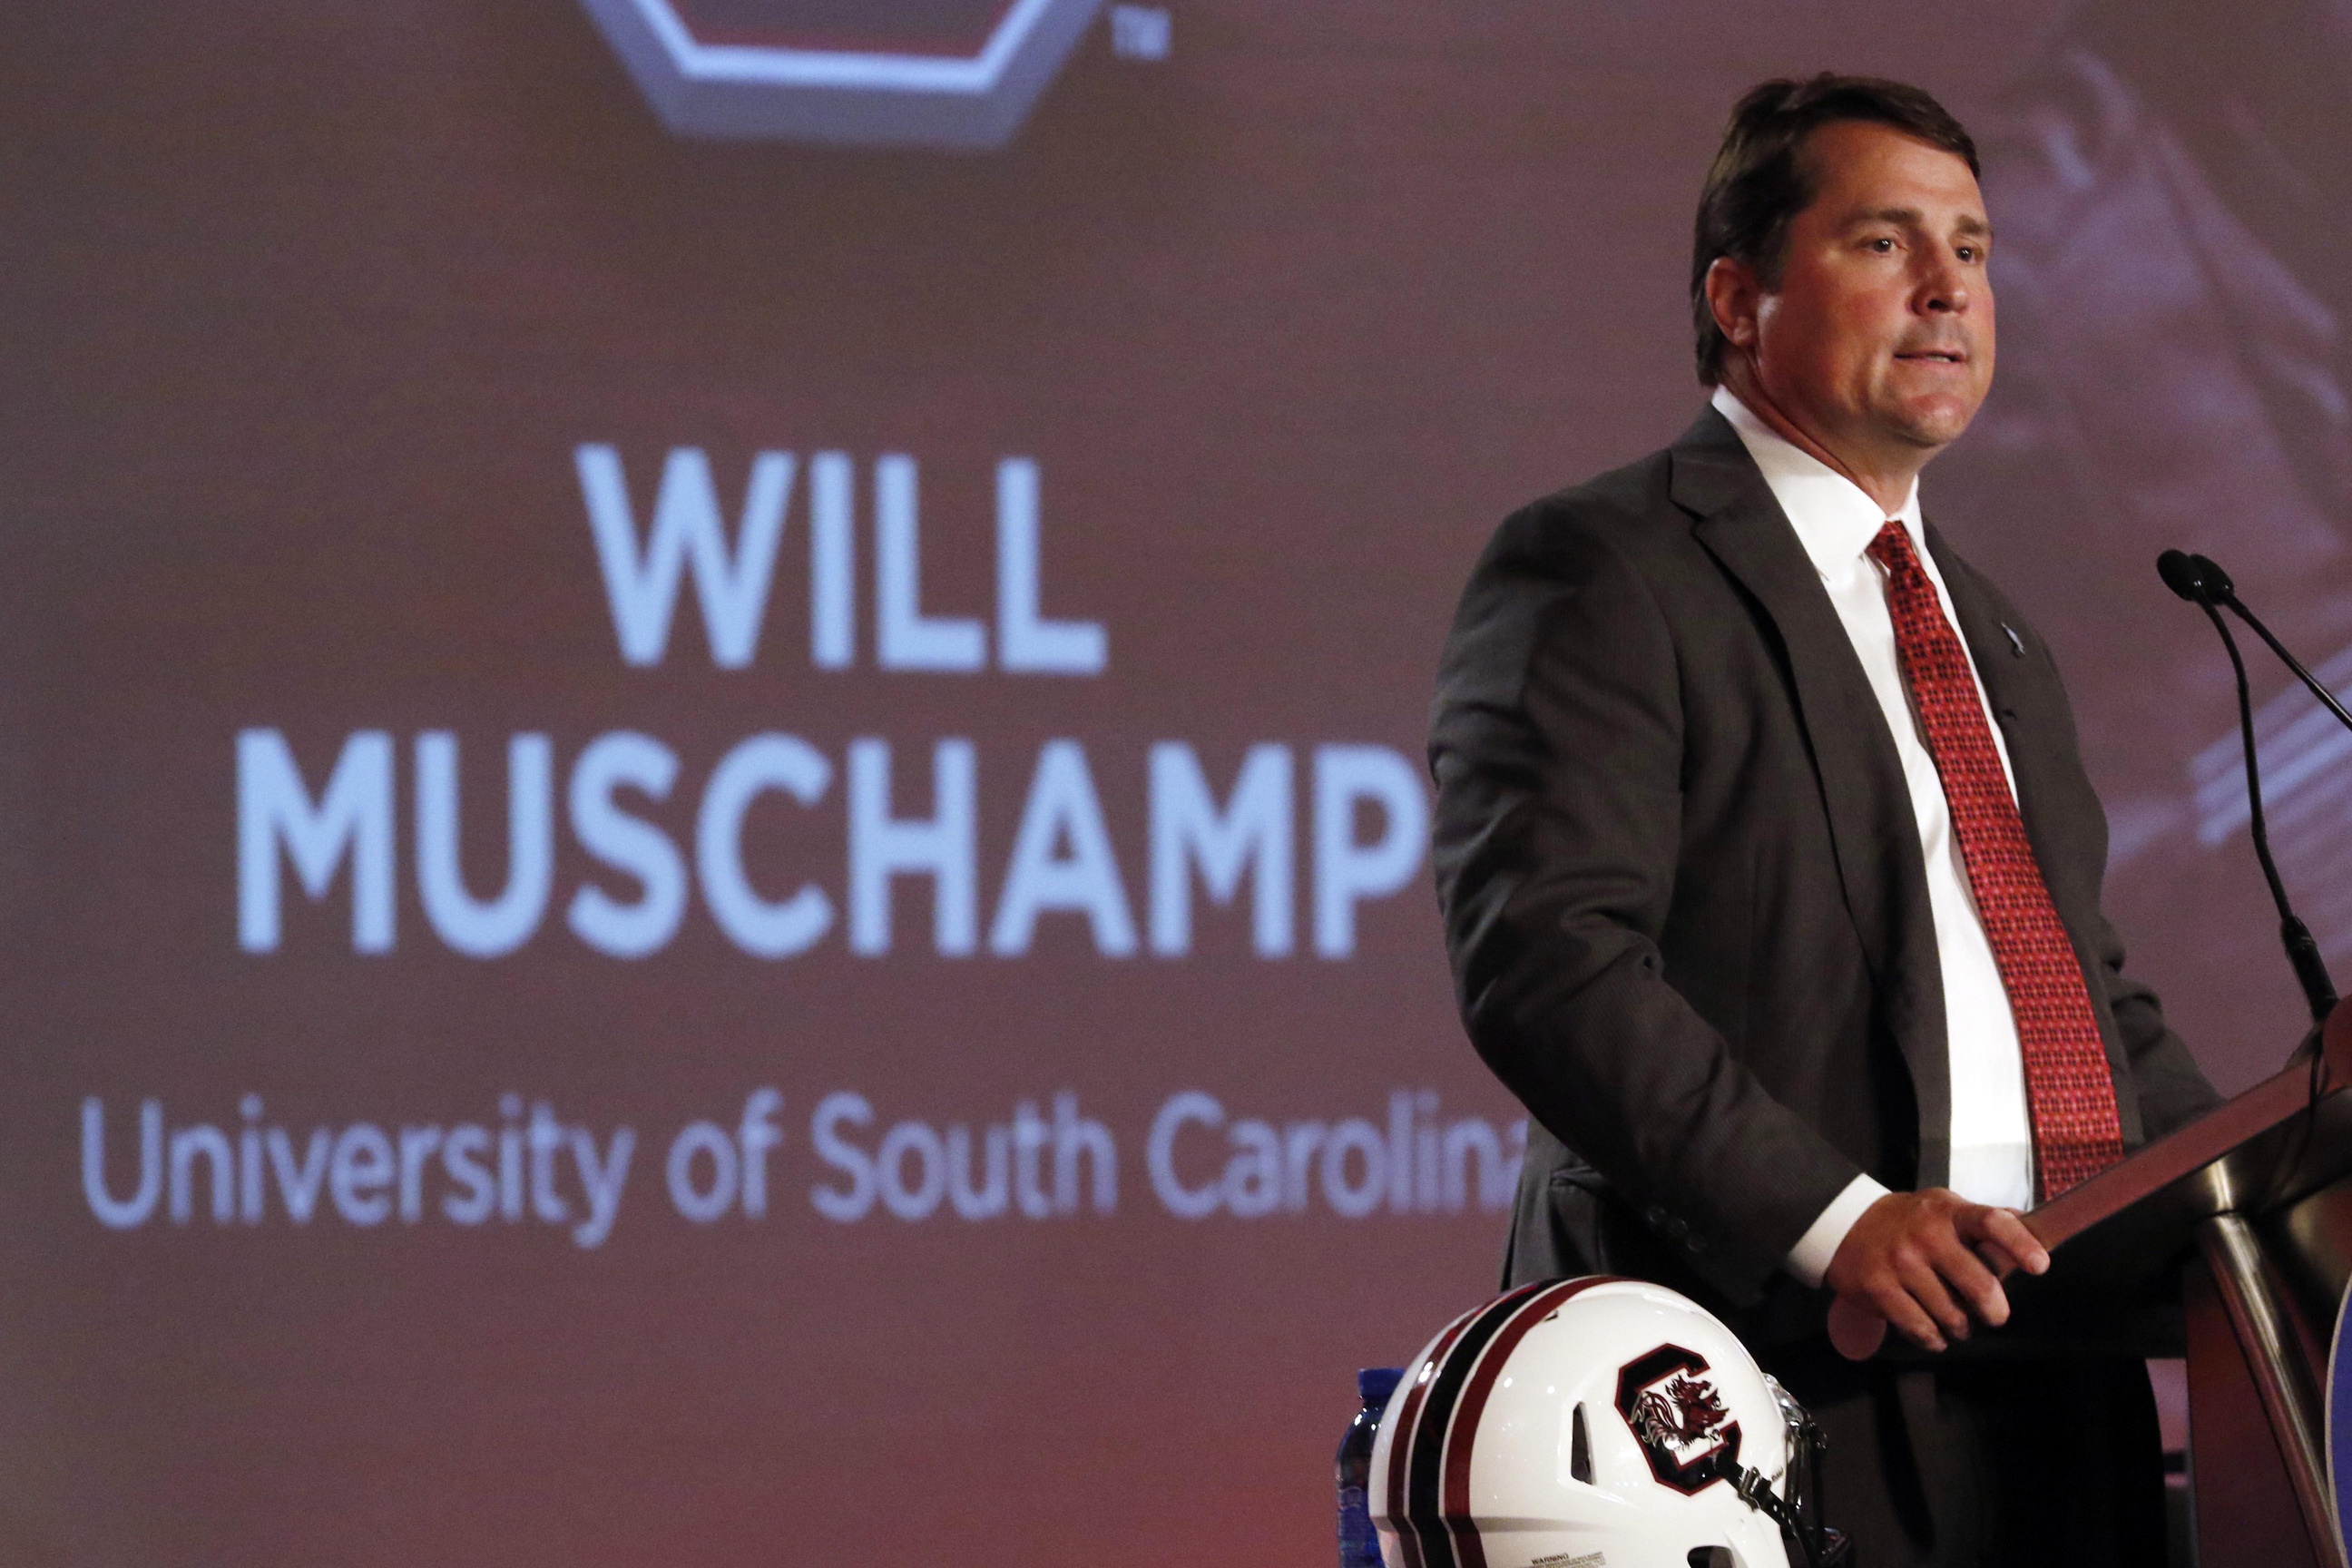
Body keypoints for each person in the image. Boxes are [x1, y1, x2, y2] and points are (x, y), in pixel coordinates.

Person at [1427, 75, 2223, 1566]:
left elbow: (2078, 993)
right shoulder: (1604, 567)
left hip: (2055, 1392)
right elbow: (1548, 957)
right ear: (1742, 297)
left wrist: (2266, 1187)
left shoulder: (1999, 635)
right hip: (1747, 1397)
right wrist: (1835, 1215)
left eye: (1974, 252)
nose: (1948, 291)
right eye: (1885, 242)